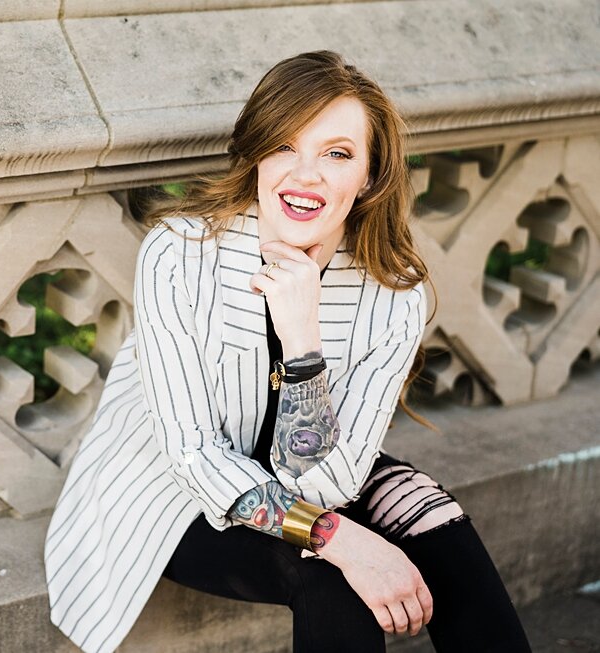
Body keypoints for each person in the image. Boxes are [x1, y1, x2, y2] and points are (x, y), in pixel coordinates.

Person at [44, 51, 530, 653]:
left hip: (308, 475)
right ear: (256, 157)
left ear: (371, 177)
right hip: (172, 494)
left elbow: (333, 481)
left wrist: (303, 343)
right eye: (284, 146)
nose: (306, 176)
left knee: (433, 519)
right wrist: (346, 541)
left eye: (338, 153)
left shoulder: (392, 292)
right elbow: (193, 456)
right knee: (333, 577)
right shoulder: (179, 255)